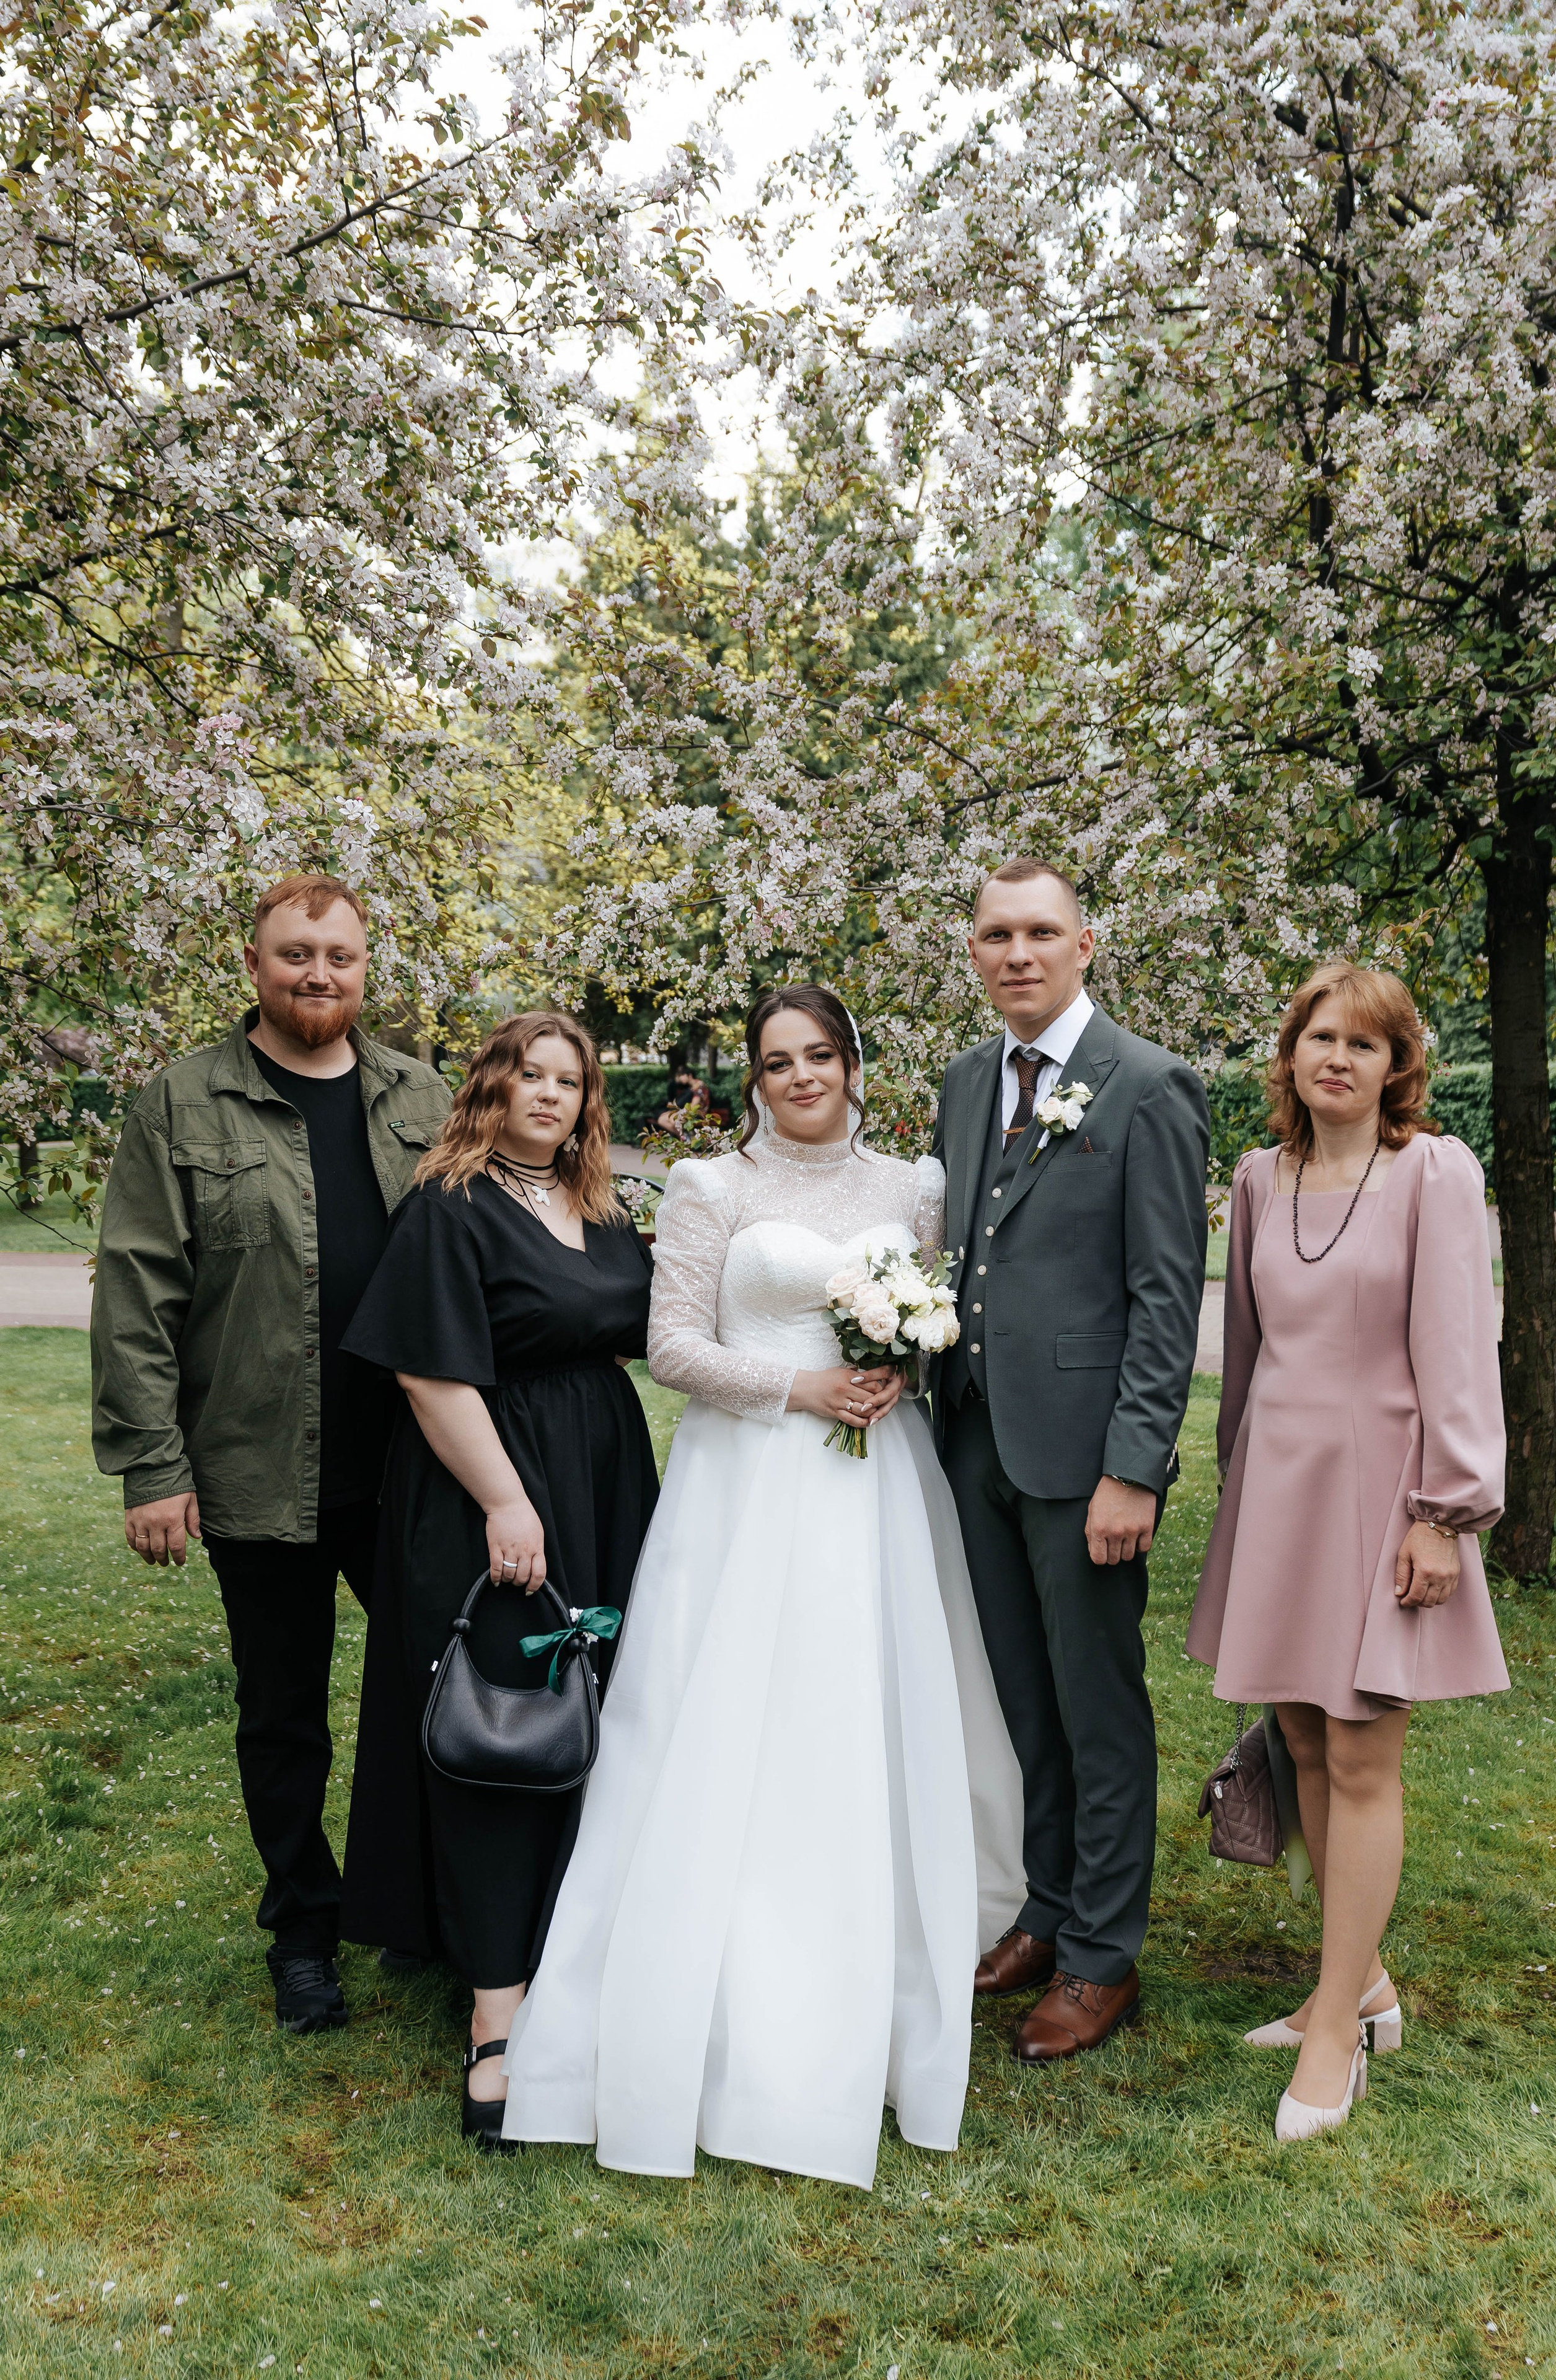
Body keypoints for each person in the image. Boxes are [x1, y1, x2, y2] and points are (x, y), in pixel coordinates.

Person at [498, 984, 1024, 2188]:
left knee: (858, 1712)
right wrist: (802, 1390)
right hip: (742, 1485)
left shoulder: (915, 1188)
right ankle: (716, 1972)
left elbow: (931, 1322)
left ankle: (872, 1956)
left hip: (876, 1489)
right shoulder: (708, 1187)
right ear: (754, 1078)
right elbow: (672, 1347)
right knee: (733, 1717)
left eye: (820, 1055)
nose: (801, 1077)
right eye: (777, 1061)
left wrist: (891, 1372)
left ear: (852, 1066)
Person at [90, 873, 452, 2032]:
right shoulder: (182, 1103)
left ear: (365, 968)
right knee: (285, 1712)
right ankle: (303, 1931)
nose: (318, 975)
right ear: (254, 965)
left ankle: (425, 1910)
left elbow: (478, 1261)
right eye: (295, 953)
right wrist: (153, 1468)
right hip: (255, 1466)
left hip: (413, 1469)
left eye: (339, 956)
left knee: (436, 1692)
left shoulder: (422, 1096)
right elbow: (137, 1292)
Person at [1187, 963, 1507, 2142]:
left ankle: (1336, 2036)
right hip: (1281, 1487)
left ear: (1396, 1066)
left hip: (1387, 1489)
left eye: (1365, 1044)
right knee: (1303, 1736)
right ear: (1291, 1055)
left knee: (1363, 1747)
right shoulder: (1258, 1179)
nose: (1339, 1059)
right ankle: (1357, 1985)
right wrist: (1239, 1493)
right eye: (1321, 1037)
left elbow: (1459, 1350)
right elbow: (1248, 1350)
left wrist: (1445, 1513)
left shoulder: (1434, 1172)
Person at [338, 1011, 658, 2151]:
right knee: (503, 1724)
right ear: (492, 1085)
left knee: (595, 1711)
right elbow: (429, 1376)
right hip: (490, 1487)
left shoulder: (602, 1206)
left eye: (571, 1080)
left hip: (603, 1479)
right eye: (531, 1074)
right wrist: (506, 1500)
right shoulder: (449, 1204)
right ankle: (495, 2012)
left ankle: (576, 1948)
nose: (551, 1095)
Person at [932, 858, 1210, 2063]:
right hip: (973, 1440)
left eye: (1040, 932)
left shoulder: (1148, 1085)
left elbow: (1166, 1298)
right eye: (996, 935)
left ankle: (1103, 1953)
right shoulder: (963, 1082)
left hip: (1087, 1459)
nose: (1017, 954)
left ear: (1084, 945)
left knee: (1096, 1707)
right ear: (974, 952)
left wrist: (1133, 1469)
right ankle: (1046, 1912)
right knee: (1022, 1700)